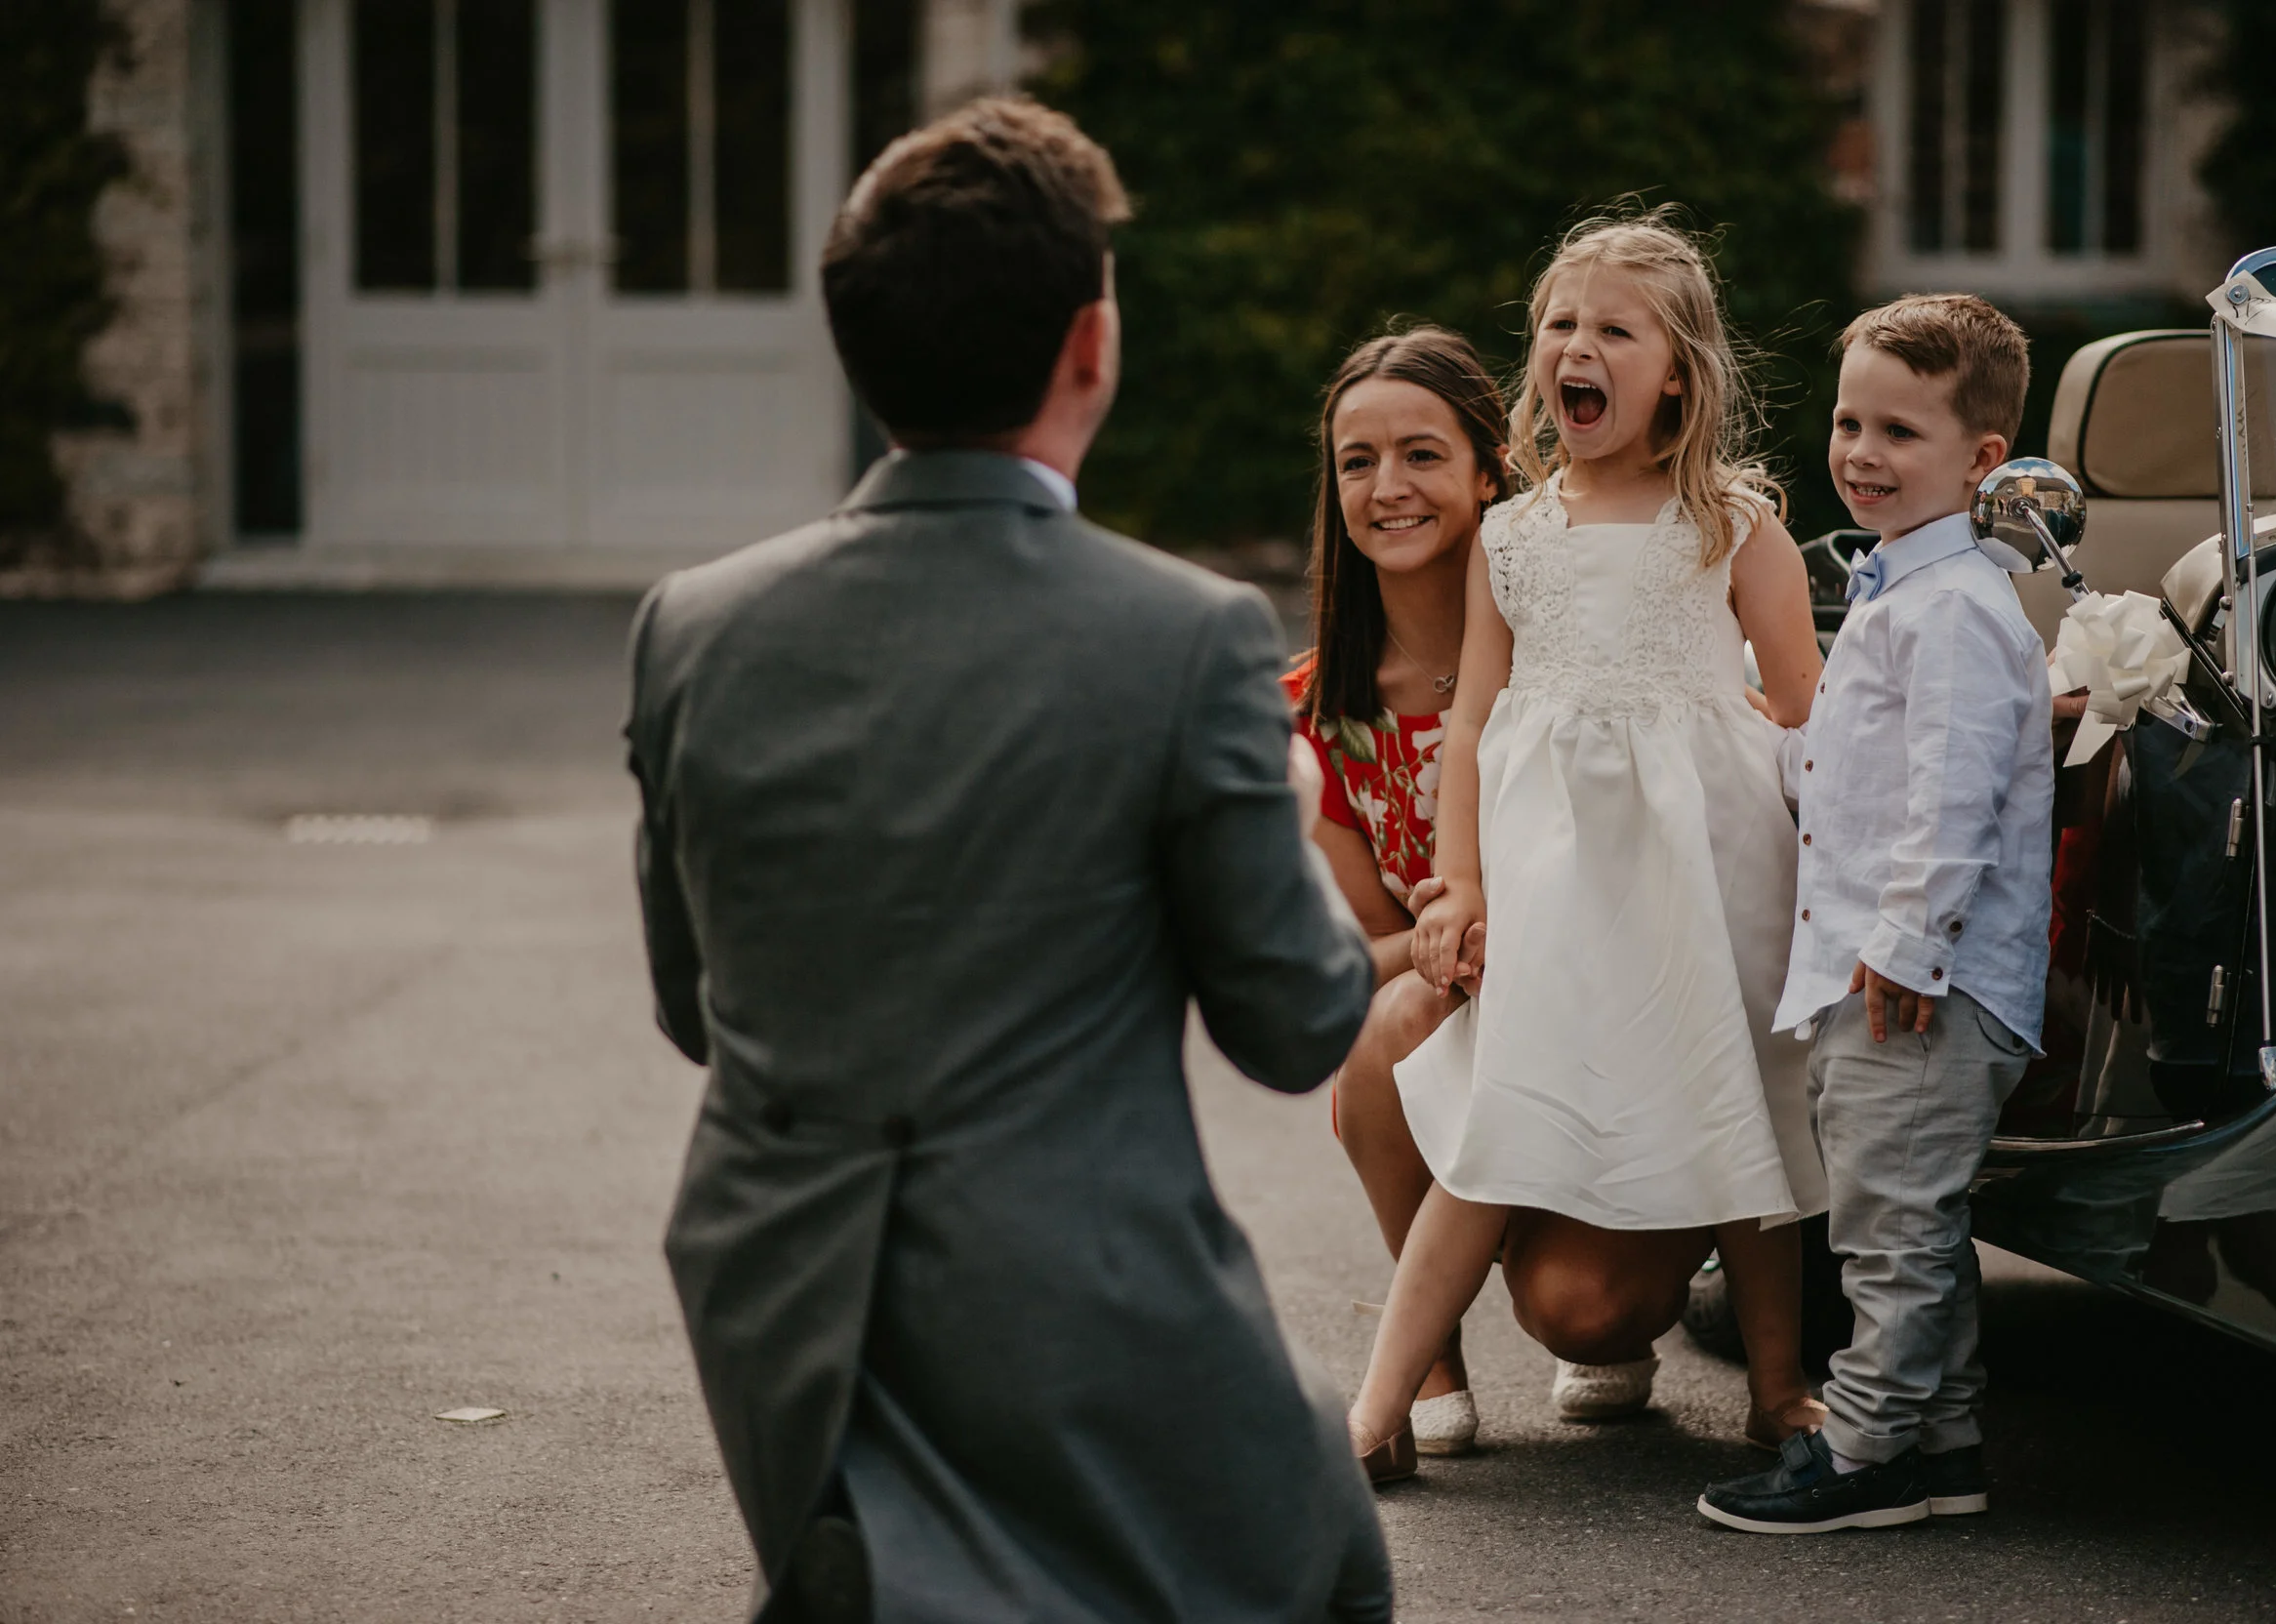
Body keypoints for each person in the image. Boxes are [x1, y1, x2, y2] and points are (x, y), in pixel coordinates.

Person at [626, 99, 1391, 1621]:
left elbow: (693, 1005)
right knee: (1323, 1579)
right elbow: (1301, 1023)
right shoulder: (1188, 642)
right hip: (1082, 1303)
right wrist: (1295, 796)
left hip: (785, 1300)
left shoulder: (693, 624)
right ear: (1090, 346)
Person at [1343, 214, 1831, 1484]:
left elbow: (1807, 708)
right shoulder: (1514, 539)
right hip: (1556, 882)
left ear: (1679, 371)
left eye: (1615, 328)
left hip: (1708, 869)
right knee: (1505, 1114)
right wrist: (1461, 884)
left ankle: (1780, 1386)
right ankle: (1381, 1400)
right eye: (1561, 323)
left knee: (1746, 1123)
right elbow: (1470, 724)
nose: (1579, 345)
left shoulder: (1729, 523)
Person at [1697, 294, 2052, 1534]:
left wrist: (1903, 946)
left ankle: (1861, 1449)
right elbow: (1858, 772)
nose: (1859, 451)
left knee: (1889, 1228)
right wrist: (1771, 746)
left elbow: (1949, 800)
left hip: (1917, 982)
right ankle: (1943, 1440)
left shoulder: (1952, 607)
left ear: (1980, 458)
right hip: (1893, 969)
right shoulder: (1899, 591)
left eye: (1899, 430)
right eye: (1849, 421)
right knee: (1913, 1212)